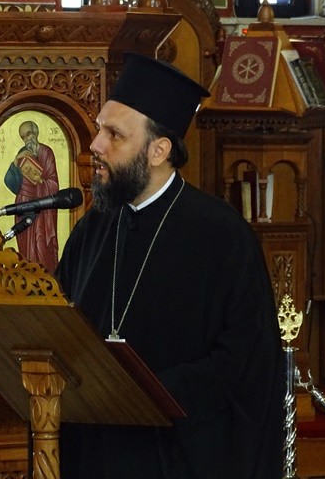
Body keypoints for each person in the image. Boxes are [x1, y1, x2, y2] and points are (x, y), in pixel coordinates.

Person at [56, 53, 286, 479]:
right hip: (94, 450)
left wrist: (153, 392)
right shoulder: (94, 227)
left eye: (114, 135)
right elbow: (61, 321)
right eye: (100, 129)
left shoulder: (222, 236)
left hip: (179, 455)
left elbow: (245, 361)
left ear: (158, 150)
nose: (95, 146)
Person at [4, 120, 60, 272]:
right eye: (23, 137)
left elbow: (54, 184)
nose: (27, 139)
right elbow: (10, 182)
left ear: (36, 132)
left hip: (42, 207)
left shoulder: (46, 152)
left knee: (41, 244)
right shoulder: (23, 153)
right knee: (25, 246)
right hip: (23, 205)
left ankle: (45, 277)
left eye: (28, 134)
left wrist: (40, 181)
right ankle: (27, 277)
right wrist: (16, 161)